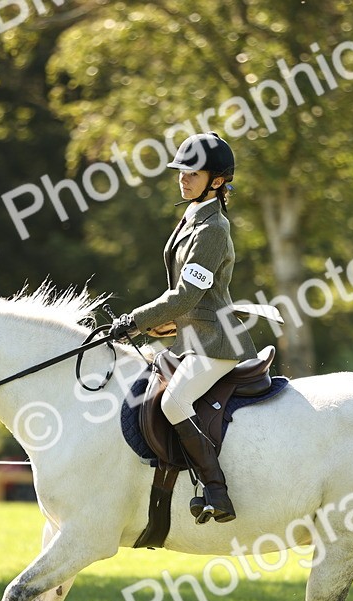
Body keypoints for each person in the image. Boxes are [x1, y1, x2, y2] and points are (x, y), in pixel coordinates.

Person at [109, 132, 258, 524]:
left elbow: (187, 295)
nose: (183, 178)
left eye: (194, 172)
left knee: (174, 402)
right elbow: (186, 299)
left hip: (216, 343)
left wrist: (135, 321)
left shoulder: (213, 229)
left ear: (218, 180)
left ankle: (216, 490)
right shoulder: (193, 217)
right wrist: (165, 326)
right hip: (191, 336)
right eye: (181, 171)